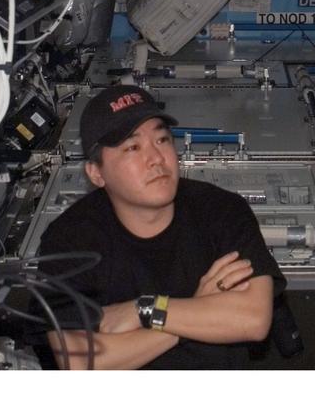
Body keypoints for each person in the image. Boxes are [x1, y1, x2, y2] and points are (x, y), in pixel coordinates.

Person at [37, 85, 285, 369]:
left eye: (162, 139)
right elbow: (81, 364)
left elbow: (252, 320)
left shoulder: (221, 210)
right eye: (133, 147)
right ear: (96, 173)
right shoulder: (68, 240)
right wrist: (195, 308)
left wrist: (144, 309)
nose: (156, 158)